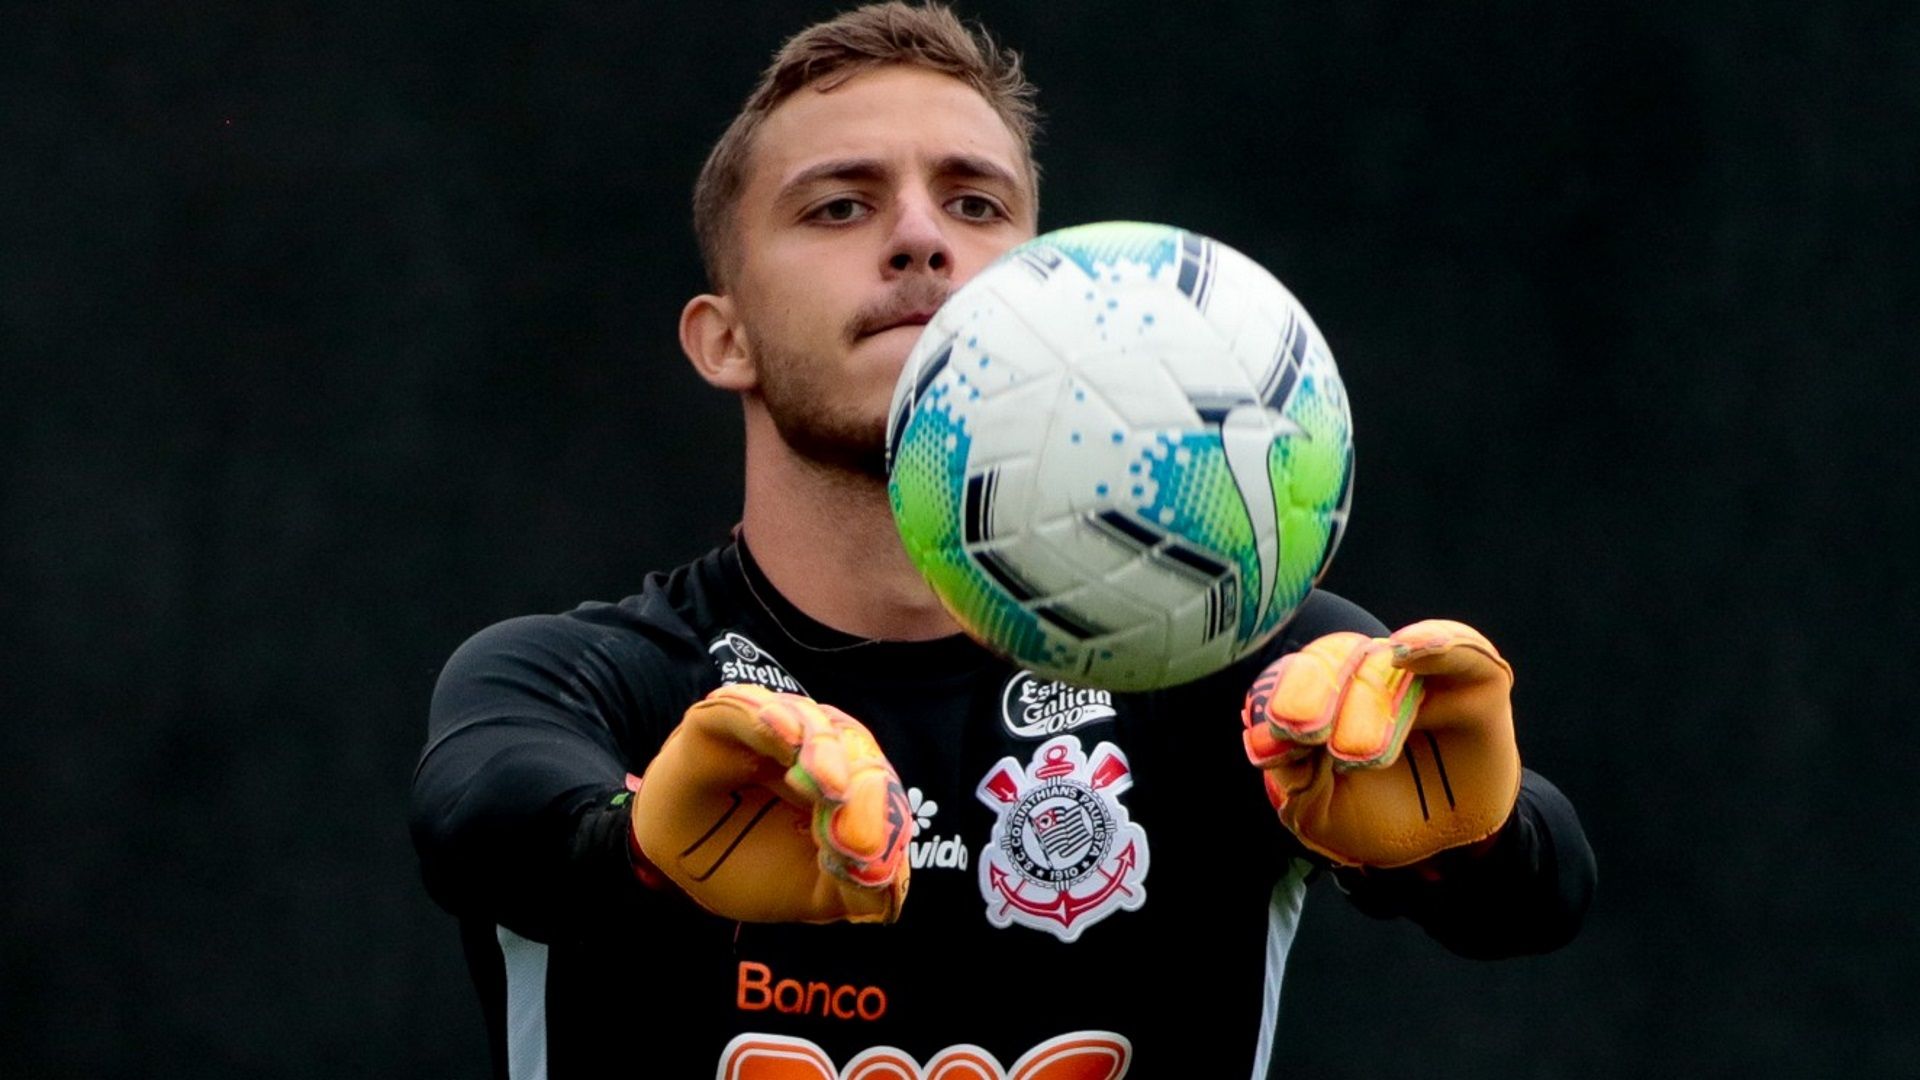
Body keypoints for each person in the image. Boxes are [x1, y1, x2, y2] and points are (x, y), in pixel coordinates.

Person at [409, 4, 1597, 1078]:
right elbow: (478, 820)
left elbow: (1539, 897)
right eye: (839, 205)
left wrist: (1465, 846)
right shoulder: (586, 679)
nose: (921, 239)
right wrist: (639, 853)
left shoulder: (1232, 668)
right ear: (725, 339)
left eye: (975, 205)